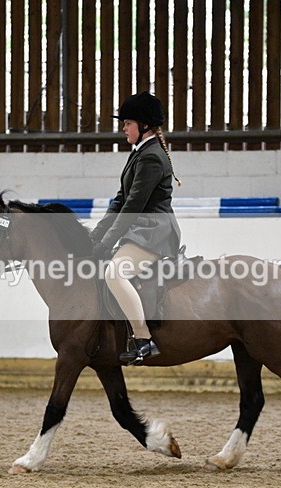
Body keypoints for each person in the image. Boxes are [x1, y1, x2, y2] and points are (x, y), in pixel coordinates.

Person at [90, 92, 182, 365]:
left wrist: (106, 244)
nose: (123, 128)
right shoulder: (141, 153)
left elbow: (132, 206)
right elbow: (119, 200)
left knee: (115, 273)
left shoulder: (151, 157)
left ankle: (143, 339)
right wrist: (96, 235)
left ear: (144, 125)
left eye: (127, 122)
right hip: (140, 231)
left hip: (154, 232)